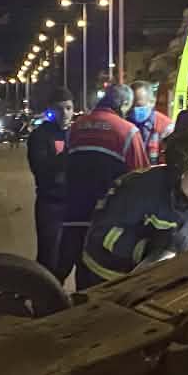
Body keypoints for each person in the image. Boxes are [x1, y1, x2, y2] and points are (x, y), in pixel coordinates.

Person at [76, 121, 188, 290]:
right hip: (106, 273)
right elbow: (104, 232)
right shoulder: (139, 189)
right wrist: (147, 248)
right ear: (177, 172)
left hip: (154, 279)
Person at [58, 83, 148, 280]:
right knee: (96, 274)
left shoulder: (76, 127)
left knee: (68, 268)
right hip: (106, 218)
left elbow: (64, 165)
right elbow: (141, 177)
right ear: (124, 104)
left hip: (73, 212)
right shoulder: (128, 132)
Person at [26, 88, 76, 272]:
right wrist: (67, 160)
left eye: (68, 108)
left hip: (73, 205)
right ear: (50, 110)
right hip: (51, 204)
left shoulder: (77, 133)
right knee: (49, 257)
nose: (65, 113)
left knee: (68, 257)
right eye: (59, 108)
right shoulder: (40, 136)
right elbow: (41, 169)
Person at [127, 79, 174, 163]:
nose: (134, 109)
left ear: (152, 102)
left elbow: (170, 160)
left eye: (139, 105)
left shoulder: (165, 126)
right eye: (131, 106)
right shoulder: (124, 125)